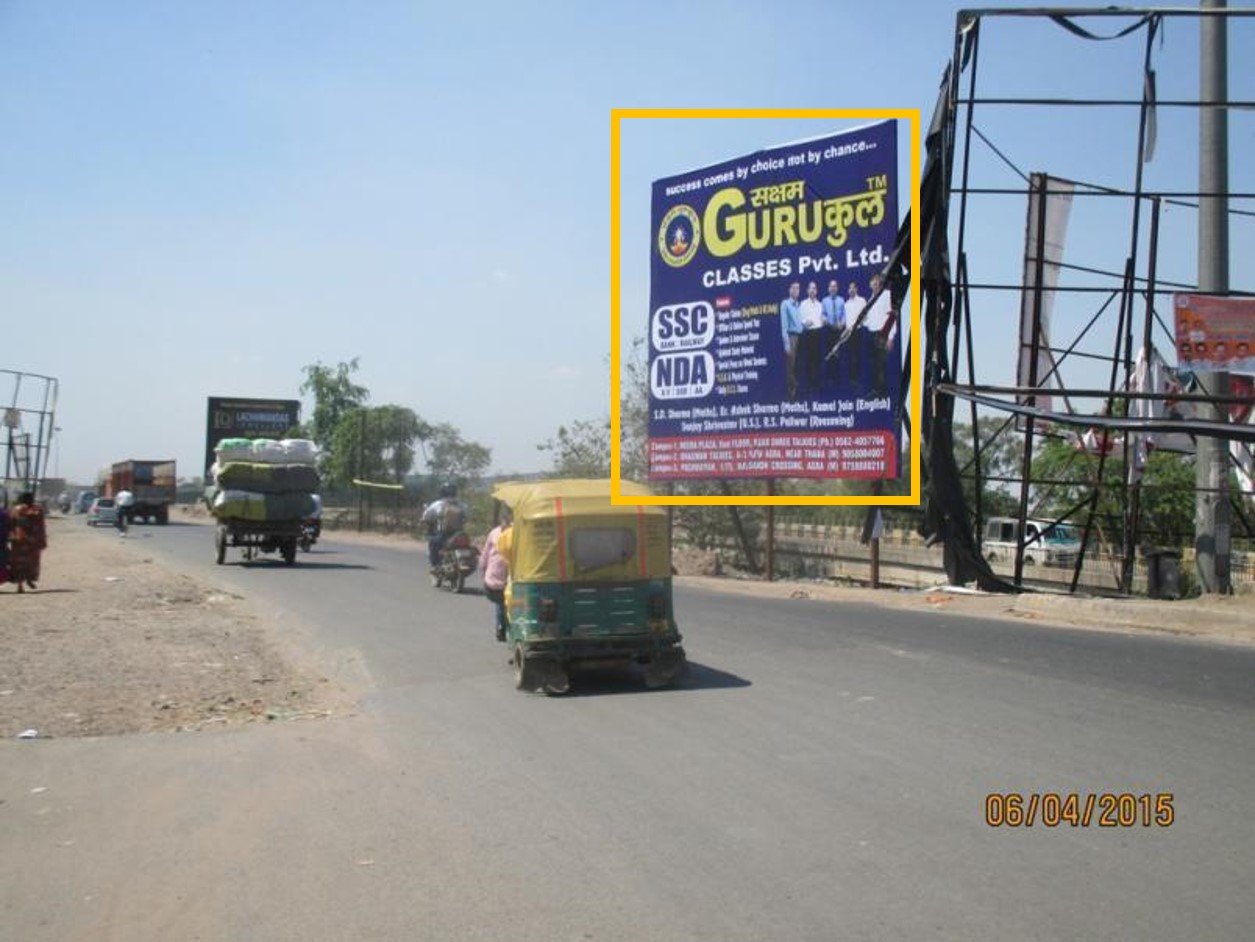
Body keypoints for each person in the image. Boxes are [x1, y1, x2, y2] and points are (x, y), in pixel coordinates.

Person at [860, 273, 899, 397]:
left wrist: (891, 337)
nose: (875, 283)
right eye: (873, 281)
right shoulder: (870, 299)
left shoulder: (887, 295)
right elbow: (870, 321)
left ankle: (881, 392)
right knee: (874, 364)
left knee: (881, 364)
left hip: (883, 333)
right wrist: (863, 321)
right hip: (872, 334)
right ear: (870, 284)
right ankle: (876, 390)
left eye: (877, 280)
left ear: (881, 282)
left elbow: (892, 316)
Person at [478, 517, 512, 641]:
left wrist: (483, 573)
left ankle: (501, 627)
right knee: (504, 602)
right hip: (502, 583)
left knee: (501, 603)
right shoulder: (516, 534)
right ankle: (505, 628)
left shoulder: (494, 533)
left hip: (493, 583)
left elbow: (484, 558)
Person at [421, 483, 469, 570]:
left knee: (433, 543)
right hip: (459, 534)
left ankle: (436, 566)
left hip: (443, 534)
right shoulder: (462, 505)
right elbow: (468, 516)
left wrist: (425, 521)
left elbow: (426, 516)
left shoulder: (437, 504)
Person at [8, 490, 47, 593]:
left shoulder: (15, 510)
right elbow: (41, 527)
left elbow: (11, 524)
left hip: (19, 541)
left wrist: (11, 536)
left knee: (18, 563)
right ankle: (29, 579)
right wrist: (42, 540)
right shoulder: (37, 510)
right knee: (32, 562)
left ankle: (20, 585)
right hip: (33, 542)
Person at [796, 281, 828, 398]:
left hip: (819, 333)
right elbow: (800, 319)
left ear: (817, 291)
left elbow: (822, 319)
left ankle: (817, 385)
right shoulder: (803, 304)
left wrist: (824, 321)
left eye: (814, 288)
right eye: (810, 288)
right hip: (808, 334)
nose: (812, 290)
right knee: (809, 360)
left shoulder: (820, 305)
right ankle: (809, 386)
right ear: (807, 291)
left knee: (818, 359)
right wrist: (805, 323)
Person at [778, 281, 802, 400]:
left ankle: (796, 387)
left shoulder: (799, 305)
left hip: (800, 336)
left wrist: (805, 325)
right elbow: (784, 326)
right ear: (790, 290)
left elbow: (799, 324)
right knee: (790, 365)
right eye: (794, 288)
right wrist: (786, 344)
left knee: (797, 365)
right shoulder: (785, 304)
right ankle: (791, 391)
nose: (796, 291)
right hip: (791, 336)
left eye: (798, 289)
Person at [820, 279, 847, 387]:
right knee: (830, 353)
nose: (833, 288)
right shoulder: (824, 300)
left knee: (838, 354)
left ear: (837, 288)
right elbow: (823, 314)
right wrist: (825, 319)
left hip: (839, 330)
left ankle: (838, 378)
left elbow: (844, 315)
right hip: (829, 330)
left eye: (835, 286)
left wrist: (842, 323)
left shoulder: (841, 300)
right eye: (831, 286)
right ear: (828, 288)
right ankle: (830, 378)